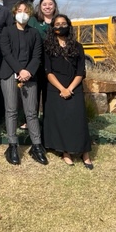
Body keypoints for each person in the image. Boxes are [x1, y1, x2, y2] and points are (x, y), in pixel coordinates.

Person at [0, 1, 48, 166]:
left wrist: (28, 72)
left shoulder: (34, 33)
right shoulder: (6, 31)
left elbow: (37, 55)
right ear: (14, 13)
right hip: (9, 74)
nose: (22, 13)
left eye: (26, 11)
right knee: (11, 110)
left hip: (30, 76)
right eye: (19, 10)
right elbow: (6, 53)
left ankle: (36, 145)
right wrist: (20, 70)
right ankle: (13, 145)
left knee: (31, 112)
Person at [43, 15, 93, 168]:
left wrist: (70, 89)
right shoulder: (48, 46)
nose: (60, 26)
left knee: (78, 120)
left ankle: (85, 153)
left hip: (74, 87)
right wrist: (62, 89)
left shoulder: (77, 46)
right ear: (52, 27)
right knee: (61, 121)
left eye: (63, 23)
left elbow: (81, 71)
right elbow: (48, 71)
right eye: (57, 24)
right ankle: (66, 152)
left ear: (69, 26)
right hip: (55, 88)